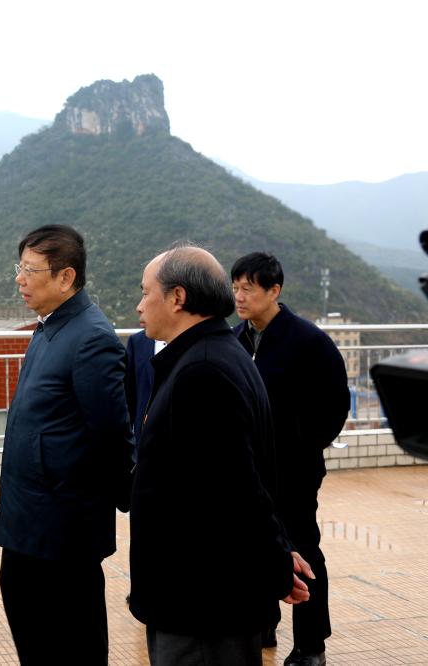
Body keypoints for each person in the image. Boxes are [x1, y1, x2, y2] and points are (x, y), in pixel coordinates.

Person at [130, 244, 314, 666]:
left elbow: (238, 489)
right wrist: (276, 553)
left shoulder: (202, 371)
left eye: (145, 292)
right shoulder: (216, 353)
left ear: (177, 298)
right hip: (203, 595)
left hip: (200, 602)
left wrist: (274, 561)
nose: (139, 305)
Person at [0, 224, 135, 665]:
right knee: (31, 626)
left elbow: (112, 434)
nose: (20, 279)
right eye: (19, 268)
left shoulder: (91, 337)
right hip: (29, 517)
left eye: (30, 270)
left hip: (62, 528)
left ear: (66, 277)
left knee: (71, 641)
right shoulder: (51, 328)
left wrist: (122, 495)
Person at [232, 252, 350, 666]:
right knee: (253, 544)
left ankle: (311, 645)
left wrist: (303, 445)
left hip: (294, 470)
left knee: (303, 550)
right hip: (249, 470)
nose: (239, 296)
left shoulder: (308, 341)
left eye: (248, 288)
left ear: (274, 291)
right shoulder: (236, 339)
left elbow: (335, 405)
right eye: (235, 287)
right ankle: (263, 624)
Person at [125, 330, 165, 445]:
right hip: (143, 438)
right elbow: (129, 394)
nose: (139, 310)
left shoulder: (193, 340)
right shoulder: (136, 341)